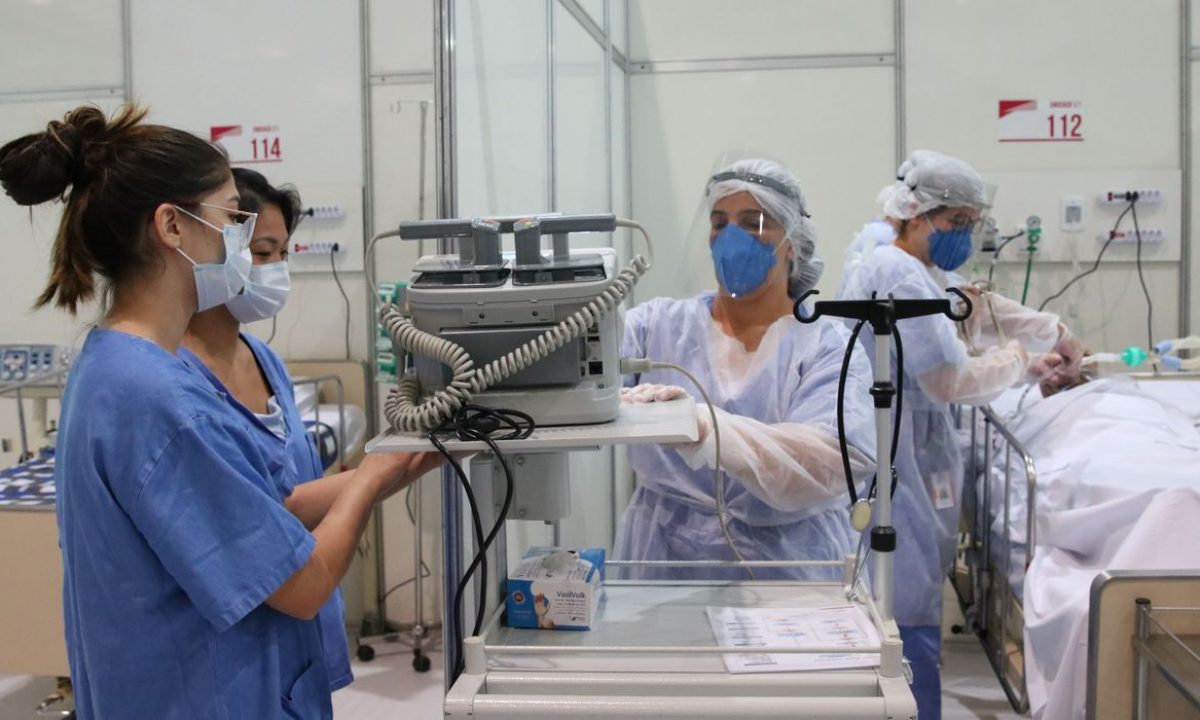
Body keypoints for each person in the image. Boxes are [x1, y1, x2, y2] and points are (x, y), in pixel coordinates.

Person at [0, 105, 438, 719]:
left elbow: (260, 514)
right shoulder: (156, 396)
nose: (241, 238)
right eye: (233, 217)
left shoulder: (117, 367)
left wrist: (399, 463)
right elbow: (303, 586)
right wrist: (366, 482)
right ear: (172, 227)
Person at [836, 149, 1082, 719]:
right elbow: (947, 380)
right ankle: (911, 706)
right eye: (958, 224)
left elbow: (969, 304)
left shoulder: (912, 264)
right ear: (917, 212)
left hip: (908, 439)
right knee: (907, 584)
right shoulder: (896, 269)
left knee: (907, 578)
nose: (965, 236)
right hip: (897, 447)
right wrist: (1021, 358)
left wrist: (1051, 333)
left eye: (973, 224)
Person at [615, 158, 876, 582]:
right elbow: (582, 382)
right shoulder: (657, 326)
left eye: (754, 222)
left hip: (791, 563)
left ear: (793, 242)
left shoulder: (827, 345)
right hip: (664, 560)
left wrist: (706, 429)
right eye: (720, 222)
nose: (731, 237)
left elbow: (830, 461)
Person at [178, 167, 353, 693]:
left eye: (283, 254)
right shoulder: (174, 379)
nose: (276, 269)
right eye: (261, 252)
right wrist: (368, 484)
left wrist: (401, 461)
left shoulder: (264, 359)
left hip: (297, 624)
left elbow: (289, 499)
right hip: (230, 643)